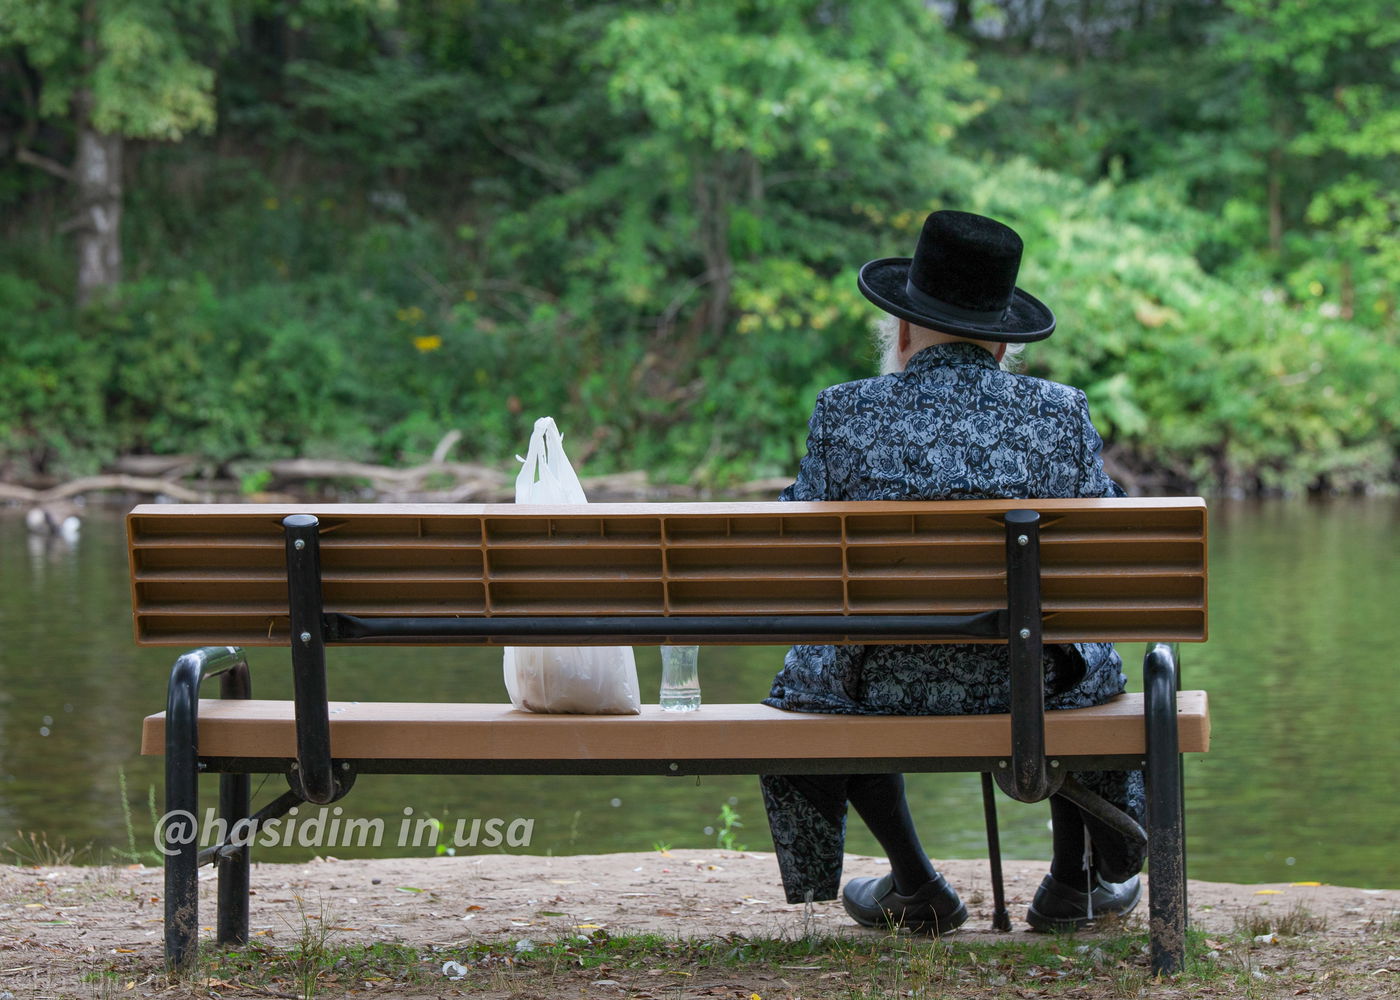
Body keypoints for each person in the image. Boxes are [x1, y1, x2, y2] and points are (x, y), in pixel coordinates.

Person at [759, 209, 1145, 935]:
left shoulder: (844, 413)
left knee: (816, 670)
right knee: (1082, 652)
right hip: (1031, 681)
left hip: (874, 683)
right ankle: (1072, 885)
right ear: (1002, 342)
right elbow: (1105, 539)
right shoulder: (1059, 414)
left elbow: (795, 545)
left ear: (902, 332)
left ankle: (915, 882)